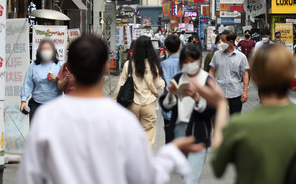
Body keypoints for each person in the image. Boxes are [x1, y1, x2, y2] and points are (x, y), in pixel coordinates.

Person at [19, 34, 205, 184]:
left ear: (70, 67)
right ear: (106, 68)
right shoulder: (120, 120)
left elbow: (30, 176)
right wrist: (170, 153)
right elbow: (145, 177)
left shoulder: (46, 117)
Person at [197, 44, 296, 184]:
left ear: (256, 76)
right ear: (292, 72)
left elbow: (217, 167)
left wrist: (221, 106)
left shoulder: (240, 126)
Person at [161, 44, 216, 184]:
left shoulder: (207, 80)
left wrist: (196, 98)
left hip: (198, 132)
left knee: (191, 177)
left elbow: (212, 109)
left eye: (192, 61)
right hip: (179, 130)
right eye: (185, 61)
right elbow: (166, 106)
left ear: (199, 60)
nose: (188, 64)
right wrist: (171, 94)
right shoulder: (178, 77)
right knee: (186, 174)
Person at [118, 36, 166, 147]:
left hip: (132, 103)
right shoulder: (153, 65)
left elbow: (120, 85)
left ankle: (134, 158)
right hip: (148, 104)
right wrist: (164, 83)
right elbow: (159, 84)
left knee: (133, 134)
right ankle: (145, 159)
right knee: (148, 135)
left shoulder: (129, 64)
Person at [20, 38, 64, 122]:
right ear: (39, 51)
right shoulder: (33, 66)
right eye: (43, 49)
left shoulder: (60, 65)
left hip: (56, 105)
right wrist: (23, 100)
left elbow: (66, 83)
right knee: (36, 132)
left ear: (53, 51)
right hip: (37, 104)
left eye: (48, 49)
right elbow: (28, 83)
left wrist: (56, 79)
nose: (46, 51)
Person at [209, 33, 250, 114]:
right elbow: (212, 70)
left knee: (234, 120)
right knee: (220, 120)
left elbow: (245, 74)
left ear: (231, 41)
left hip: (235, 93)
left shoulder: (241, 57)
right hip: (220, 94)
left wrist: (245, 91)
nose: (221, 43)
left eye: (223, 41)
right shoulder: (217, 55)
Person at [160, 35, 182, 143]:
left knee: (169, 139)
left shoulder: (162, 65)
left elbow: (159, 83)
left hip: (168, 106)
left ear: (166, 48)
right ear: (180, 46)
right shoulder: (186, 63)